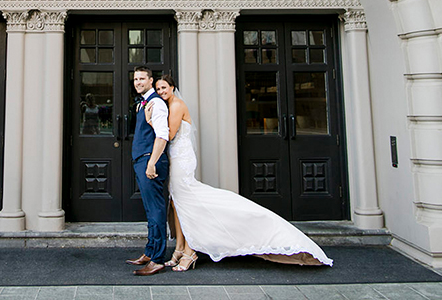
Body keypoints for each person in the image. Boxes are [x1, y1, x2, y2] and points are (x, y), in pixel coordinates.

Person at [149, 73, 334, 271]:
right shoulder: (169, 105)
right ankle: (179, 249)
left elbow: (168, 134)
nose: (161, 92)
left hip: (182, 159)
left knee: (186, 202)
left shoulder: (176, 105)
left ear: (172, 87)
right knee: (177, 204)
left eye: (164, 88)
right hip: (176, 157)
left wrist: (150, 121)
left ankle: (189, 251)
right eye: (158, 89)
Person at [125, 65, 170, 276]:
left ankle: (158, 258)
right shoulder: (144, 103)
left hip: (150, 162)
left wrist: (152, 163)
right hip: (142, 160)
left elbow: (162, 136)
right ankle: (150, 252)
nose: (138, 82)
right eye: (135, 79)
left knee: (156, 210)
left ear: (151, 81)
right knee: (150, 210)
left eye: (142, 78)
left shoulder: (156, 104)